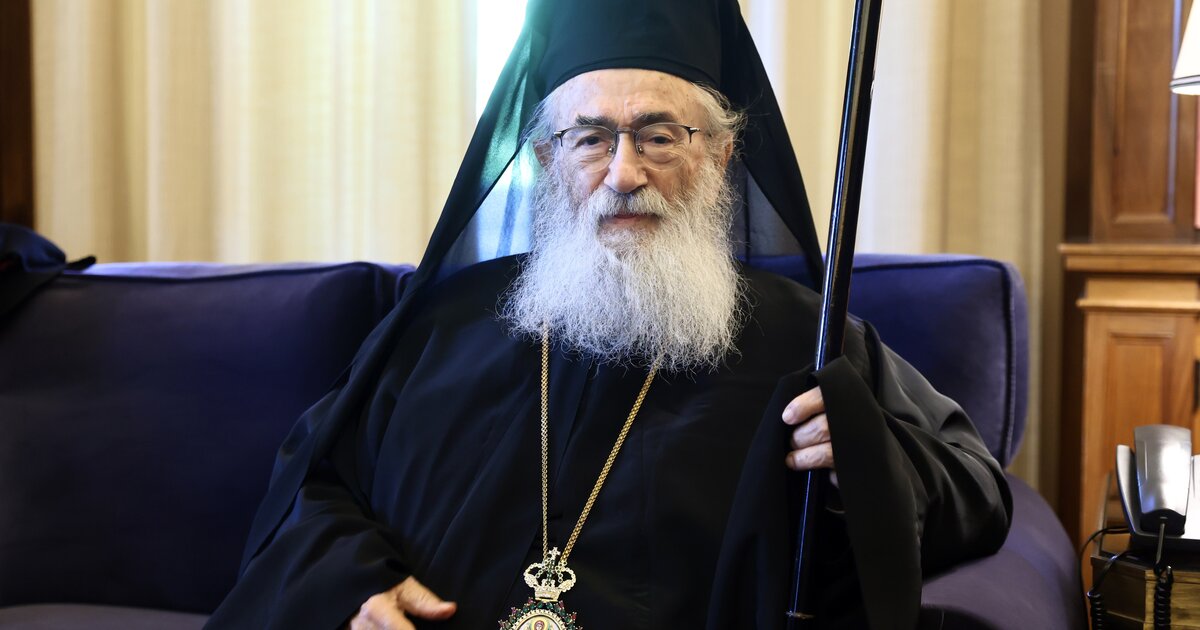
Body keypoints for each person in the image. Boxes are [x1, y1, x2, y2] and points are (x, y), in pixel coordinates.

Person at [205, 1, 1011, 629]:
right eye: (591, 138)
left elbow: (977, 491)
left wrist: (864, 454)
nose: (624, 173)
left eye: (658, 136)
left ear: (720, 156)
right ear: (548, 158)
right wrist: (355, 583)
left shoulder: (806, 337)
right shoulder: (442, 328)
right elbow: (314, 486)